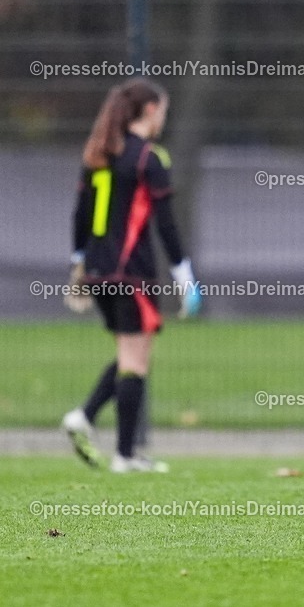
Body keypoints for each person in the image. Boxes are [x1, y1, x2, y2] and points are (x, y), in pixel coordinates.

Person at [61, 78, 201, 473]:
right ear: (151, 110)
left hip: (99, 273)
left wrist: (78, 262)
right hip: (132, 274)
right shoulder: (148, 159)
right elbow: (166, 224)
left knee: (130, 356)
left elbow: (79, 215)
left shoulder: (98, 154)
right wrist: (184, 275)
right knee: (135, 360)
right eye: (164, 111)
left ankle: (121, 451)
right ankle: (91, 423)